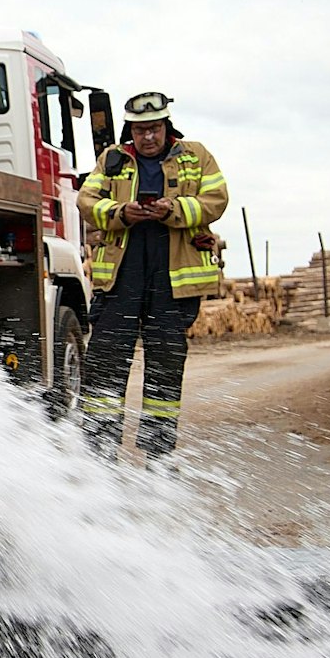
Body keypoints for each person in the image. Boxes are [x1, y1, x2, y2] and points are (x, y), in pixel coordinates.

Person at [74, 90, 228, 462]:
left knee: (165, 361)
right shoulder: (112, 159)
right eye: (140, 130)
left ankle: (158, 452)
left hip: (172, 280)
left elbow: (217, 199)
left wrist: (172, 209)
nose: (148, 137)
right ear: (131, 130)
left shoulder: (196, 156)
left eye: (154, 129)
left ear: (166, 126)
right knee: (106, 358)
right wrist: (122, 213)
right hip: (122, 278)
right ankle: (100, 448)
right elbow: (86, 201)